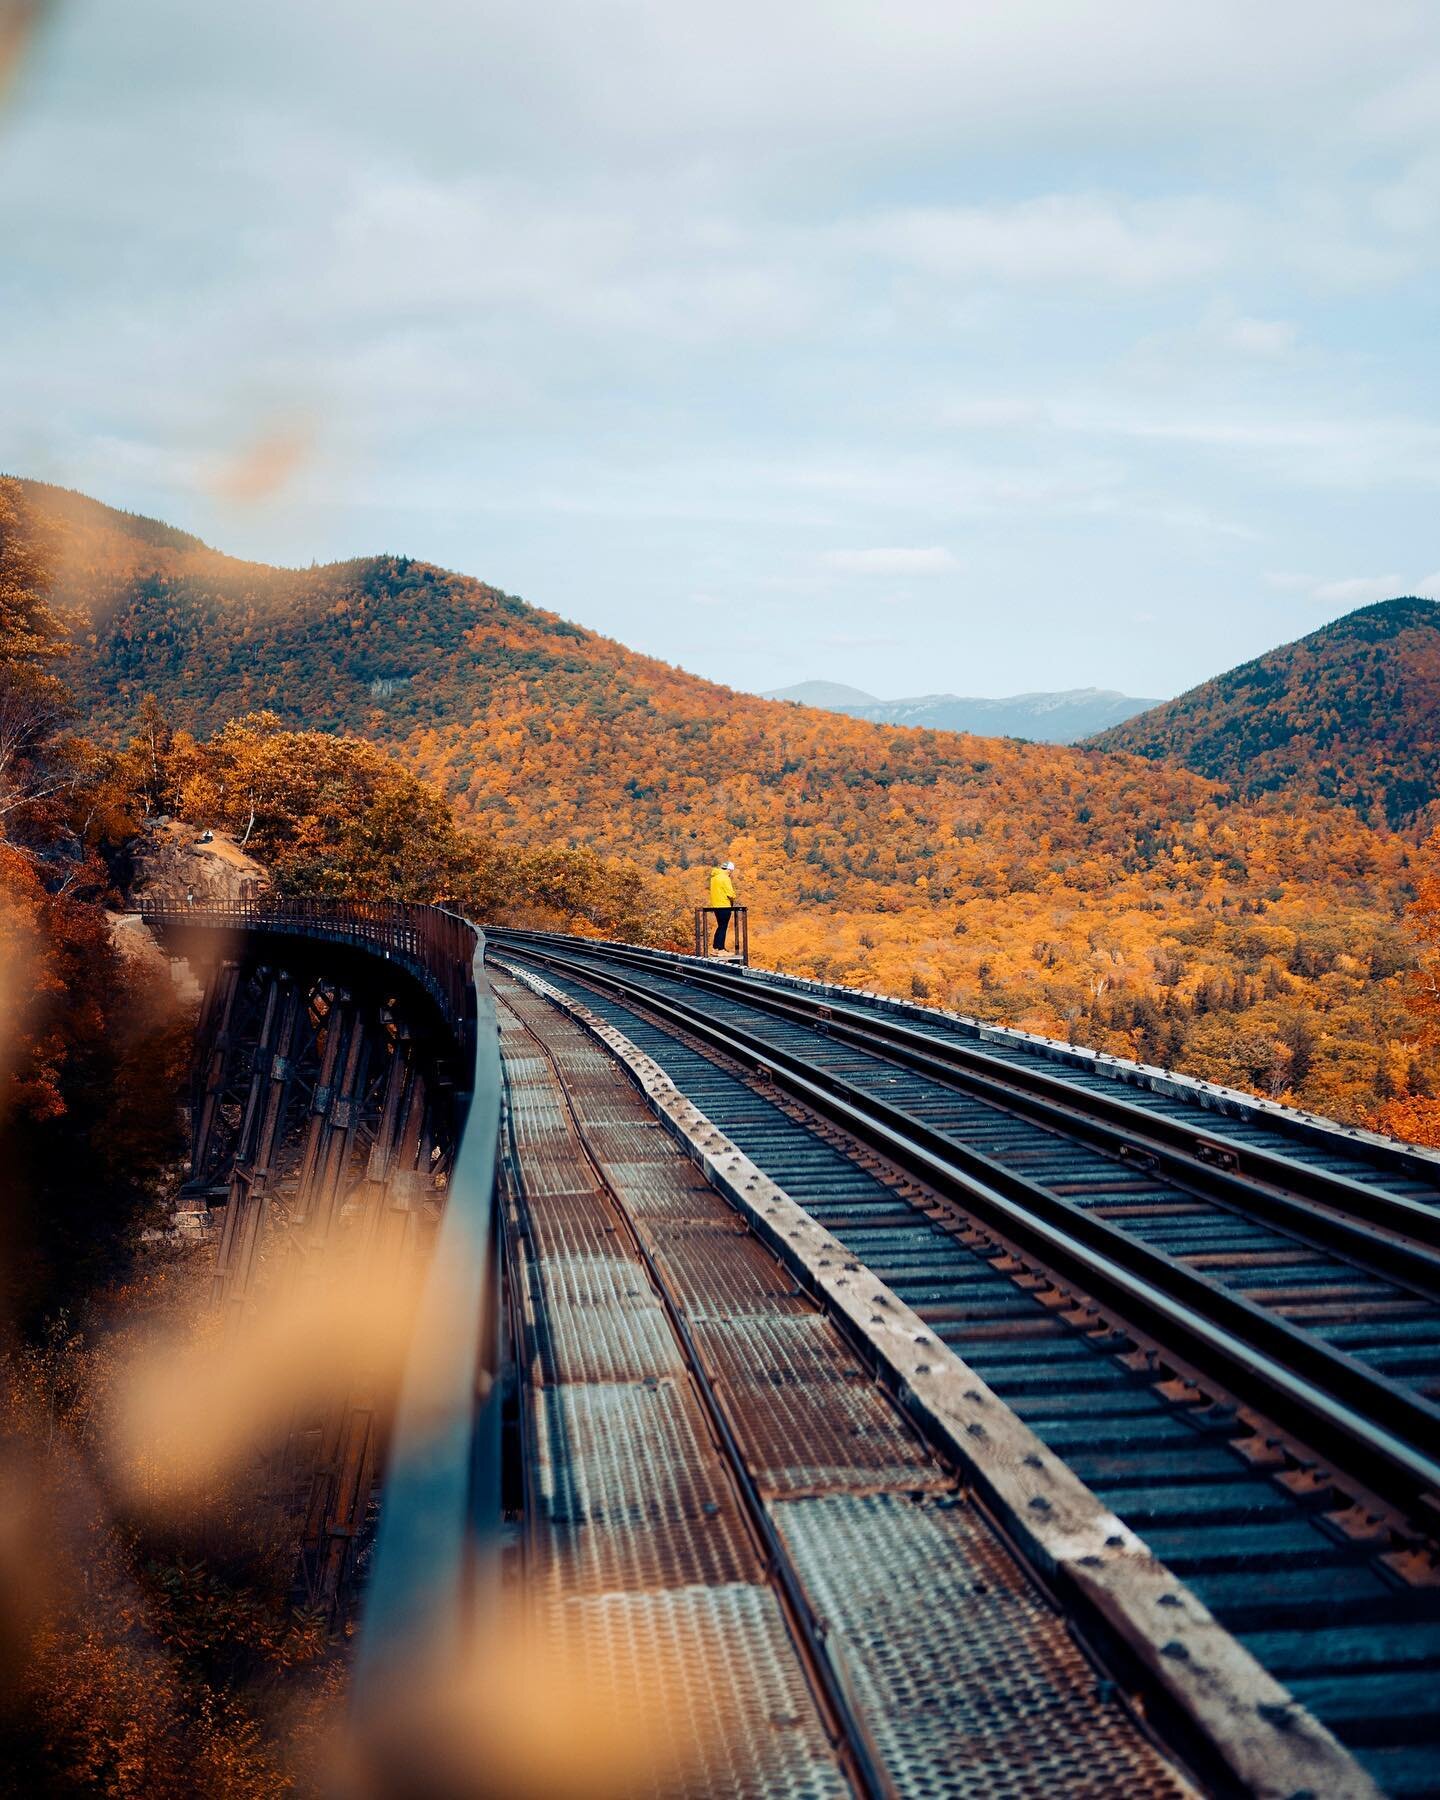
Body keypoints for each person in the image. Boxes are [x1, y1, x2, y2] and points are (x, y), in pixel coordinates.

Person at [708, 860, 737, 952]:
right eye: (731, 871)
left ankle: (715, 947)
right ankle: (720, 948)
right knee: (723, 927)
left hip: (716, 905)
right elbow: (730, 893)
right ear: (729, 870)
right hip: (724, 905)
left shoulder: (714, 877)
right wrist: (733, 897)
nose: (731, 873)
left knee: (720, 926)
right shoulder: (725, 878)